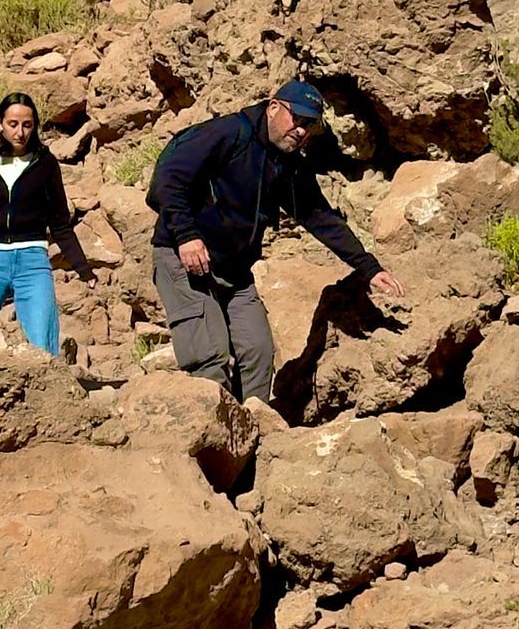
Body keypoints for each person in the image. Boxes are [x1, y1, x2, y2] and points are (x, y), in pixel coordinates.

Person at [149, 79, 404, 404]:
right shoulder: (228, 133)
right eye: (297, 119)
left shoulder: (288, 165)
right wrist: (186, 236)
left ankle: (255, 431)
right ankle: (213, 443)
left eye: (310, 124)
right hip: (184, 258)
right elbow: (170, 176)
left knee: (257, 351)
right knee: (209, 356)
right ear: (273, 108)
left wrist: (369, 268)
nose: (301, 130)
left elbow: (320, 218)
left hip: (235, 271)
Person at [0, 92, 87, 355]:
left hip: (33, 261)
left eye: (27, 125)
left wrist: (83, 269)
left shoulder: (45, 163)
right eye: (13, 124)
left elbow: (60, 223)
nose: (20, 132)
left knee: (42, 345)